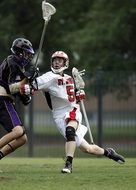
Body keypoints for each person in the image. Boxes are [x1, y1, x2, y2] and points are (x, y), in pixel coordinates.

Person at [22, 50, 125, 173]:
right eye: (54, 60)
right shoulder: (48, 77)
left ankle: (68, 164)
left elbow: (75, 93)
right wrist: (28, 78)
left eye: (60, 60)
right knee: (87, 149)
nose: (56, 63)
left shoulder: (69, 78)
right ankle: (109, 153)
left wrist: (79, 94)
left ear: (65, 63)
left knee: (69, 130)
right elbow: (27, 87)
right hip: (59, 115)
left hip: (73, 110)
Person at [0, 37, 38, 160]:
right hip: (2, 100)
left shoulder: (19, 67)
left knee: (22, 139)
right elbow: (12, 88)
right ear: (19, 52)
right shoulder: (12, 61)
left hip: (7, 100)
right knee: (17, 131)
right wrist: (27, 76)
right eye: (26, 54)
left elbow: (21, 93)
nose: (28, 57)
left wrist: (26, 94)